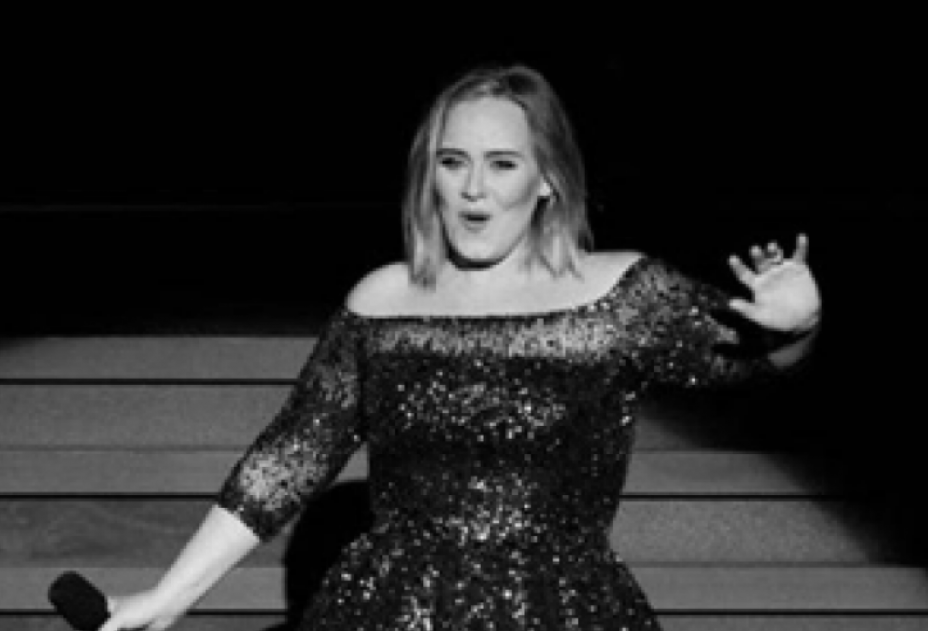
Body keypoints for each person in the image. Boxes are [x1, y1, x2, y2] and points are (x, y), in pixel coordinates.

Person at [97, 63, 821, 631]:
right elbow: (286, 460)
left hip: (563, 612)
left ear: (548, 178)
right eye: (453, 162)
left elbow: (756, 361)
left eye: (502, 163)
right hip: (387, 610)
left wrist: (798, 325)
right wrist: (169, 596)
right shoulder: (381, 302)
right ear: (430, 175)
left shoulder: (623, 293)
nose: (474, 189)